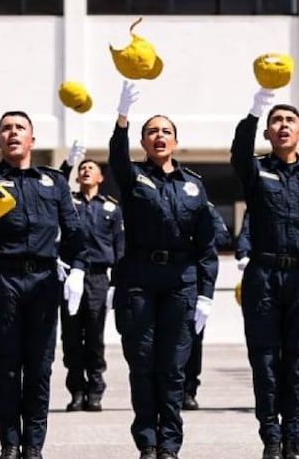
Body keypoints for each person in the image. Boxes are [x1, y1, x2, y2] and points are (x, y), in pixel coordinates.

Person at [110, 81, 219, 459]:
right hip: (139, 279)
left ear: (175, 140)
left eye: (166, 131)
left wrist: (206, 292)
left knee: (173, 369)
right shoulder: (133, 176)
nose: (160, 136)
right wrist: (122, 119)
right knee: (142, 364)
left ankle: (170, 444)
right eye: (152, 131)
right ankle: (147, 442)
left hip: (180, 282)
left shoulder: (194, 185)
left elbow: (206, 243)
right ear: (143, 141)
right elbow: (117, 157)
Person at [0, 111, 90, 459]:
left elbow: (74, 233)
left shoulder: (53, 182)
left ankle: (34, 445)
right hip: (2, 278)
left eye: (19, 128)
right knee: (6, 365)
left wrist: (79, 269)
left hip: (42, 281)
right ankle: (10, 443)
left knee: (39, 366)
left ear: (32, 140)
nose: (12, 133)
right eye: (6, 129)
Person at [231, 88, 299, 459]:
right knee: (264, 360)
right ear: (267, 132)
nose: (282, 126)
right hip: (264, 275)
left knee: (295, 361)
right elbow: (238, 153)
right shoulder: (256, 171)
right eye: (276, 121)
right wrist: (254, 110)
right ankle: (271, 439)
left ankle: (294, 439)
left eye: (289, 121)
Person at [61, 159, 124, 414]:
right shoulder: (69, 203)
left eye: (91, 169)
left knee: (95, 338)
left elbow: (120, 247)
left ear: (100, 178)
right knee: (72, 337)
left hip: (98, 278)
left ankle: (95, 392)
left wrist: (116, 283)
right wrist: (67, 164)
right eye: (82, 169)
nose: (85, 171)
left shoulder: (111, 207)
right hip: (70, 277)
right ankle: (76, 391)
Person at [182, 201, 230, 410]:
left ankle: (188, 389)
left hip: (193, 279)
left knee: (192, 338)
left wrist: (195, 232)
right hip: (162, 275)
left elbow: (222, 237)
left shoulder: (203, 206)